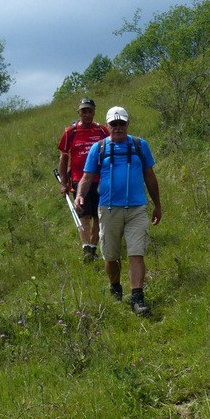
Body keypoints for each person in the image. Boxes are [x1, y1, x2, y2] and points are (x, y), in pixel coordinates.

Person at [75, 106, 161, 316]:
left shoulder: (140, 145)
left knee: (136, 253)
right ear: (107, 126)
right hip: (109, 209)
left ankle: (137, 298)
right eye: (114, 124)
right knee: (111, 257)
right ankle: (115, 286)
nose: (118, 128)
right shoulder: (99, 148)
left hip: (136, 209)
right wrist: (79, 195)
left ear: (127, 124)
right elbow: (86, 178)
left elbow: (150, 176)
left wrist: (157, 204)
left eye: (122, 123)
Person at [57, 98, 110, 261]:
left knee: (98, 215)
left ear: (94, 112)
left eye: (89, 111)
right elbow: (64, 158)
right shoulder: (70, 132)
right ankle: (86, 248)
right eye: (83, 111)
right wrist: (64, 183)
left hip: (101, 179)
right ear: (78, 112)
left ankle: (93, 249)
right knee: (83, 215)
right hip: (79, 180)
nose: (87, 114)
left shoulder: (102, 131)